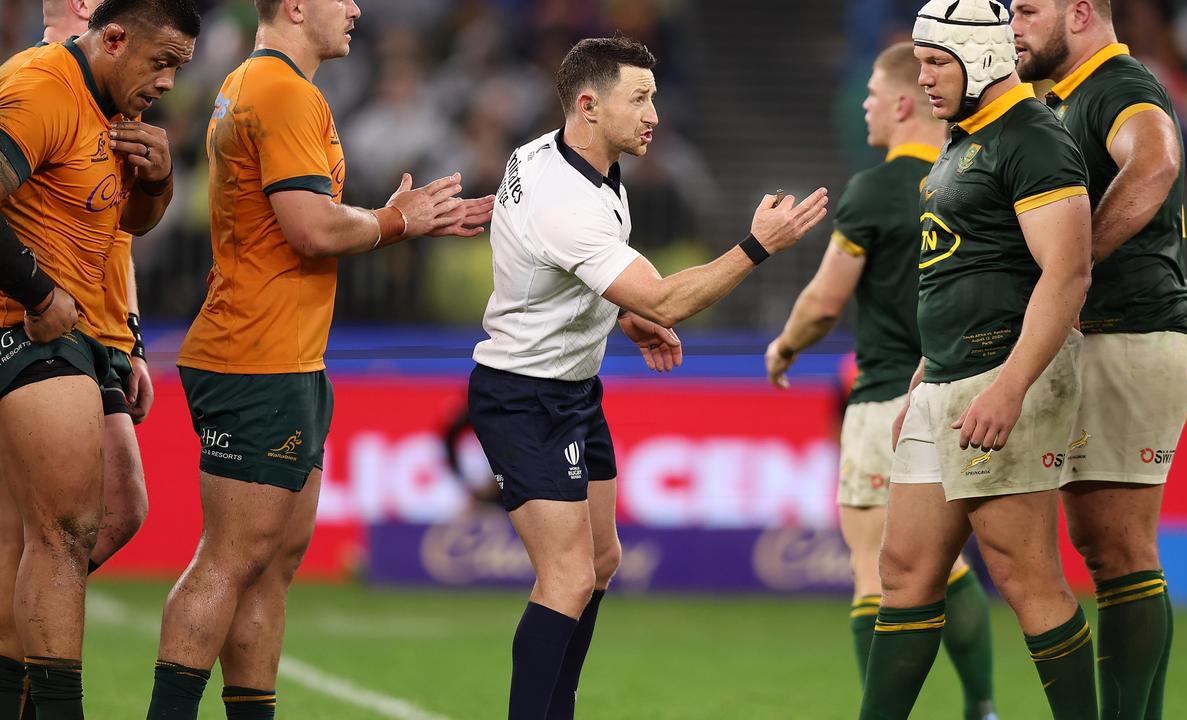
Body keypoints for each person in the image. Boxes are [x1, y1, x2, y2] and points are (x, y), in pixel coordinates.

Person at [146, 1, 493, 718]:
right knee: (233, 556)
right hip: (255, 355)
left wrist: (399, 224)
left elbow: (299, 227)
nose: (357, 9)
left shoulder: (262, 85)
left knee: (272, 564)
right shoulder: (281, 92)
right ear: (298, 7)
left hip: (288, 356)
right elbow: (308, 230)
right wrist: (398, 220)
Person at [468, 34, 827, 720]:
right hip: (523, 396)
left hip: (573, 387)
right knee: (567, 577)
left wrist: (621, 313)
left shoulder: (562, 156)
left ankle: (556, 708)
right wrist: (757, 247)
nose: (654, 113)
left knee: (600, 564)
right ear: (588, 105)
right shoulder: (561, 197)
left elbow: (568, 273)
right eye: (639, 98)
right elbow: (664, 298)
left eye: (654, 96)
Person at [857, 2, 1097, 718]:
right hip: (946, 380)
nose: (925, 78)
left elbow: (1068, 273)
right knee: (903, 572)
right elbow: (960, 270)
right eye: (921, 62)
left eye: (937, 62)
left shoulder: (1034, 140)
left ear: (982, 58)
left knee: (1026, 578)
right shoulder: (963, 142)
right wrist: (925, 375)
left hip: (1003, 381)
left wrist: (1012, 387)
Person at [763, 41, 996, 720]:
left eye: (870, 95)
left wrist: (784, 347)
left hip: (886, 395)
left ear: (901, 103)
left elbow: (825, 302)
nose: (863, 106)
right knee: (949, 566)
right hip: (965, 394)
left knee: (875, 569)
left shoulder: (874, 190)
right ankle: (983, 705)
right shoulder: (979, 178)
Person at [0, 0, 199, 717]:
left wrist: (157, 181)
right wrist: (34, 288)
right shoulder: (42, 84)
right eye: (162, 63)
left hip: (87, 331)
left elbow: (124, 225)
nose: (170, 83)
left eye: (181, 67)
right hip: (27, 325)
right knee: (63, 528)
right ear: (110, 37)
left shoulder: (115, 109)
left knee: (75, 524)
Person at [1010, 2, 1187, 717]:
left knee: (1118, 549)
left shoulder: (1117, 84)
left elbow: (1156, 162)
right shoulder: (1068, 99)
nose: (1013, 27)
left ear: (1081, 13)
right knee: (1105, 547)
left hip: (1131, 328)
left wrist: (1074, 262)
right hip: (1108, 332)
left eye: (1028, 11)